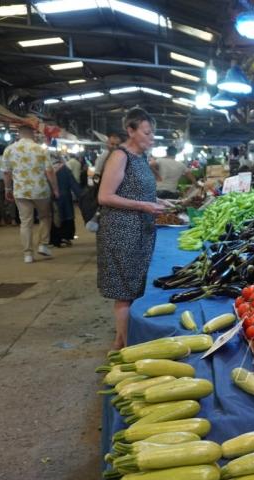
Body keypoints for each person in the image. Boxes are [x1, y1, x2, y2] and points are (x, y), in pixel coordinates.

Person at [97, 108, 165, 349]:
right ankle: (125, 346)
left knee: (135, 286)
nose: (152, 137)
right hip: (121, 231)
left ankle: (121, 340)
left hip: (140, 230)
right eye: (147, 132)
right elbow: (104, 196)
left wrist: (159, 202)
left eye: (152, 132)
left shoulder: (141, 158)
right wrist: (143, 205)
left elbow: (140, 191)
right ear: (130, 131)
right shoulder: (120, 156)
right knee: (125, 289)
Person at [3, 125, 59, 263]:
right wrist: (55, 189)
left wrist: (7, 189)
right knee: (45, 217)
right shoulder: (40, 149)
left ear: (19, 134)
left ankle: (28, 254)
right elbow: (49, 171)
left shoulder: (9, 150)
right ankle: (43, 245)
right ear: (33, 134)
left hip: (21, 191)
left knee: (25, 222)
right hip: (40, 190)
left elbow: (6, 172)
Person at [50, 156, 83, 247]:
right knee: (67, 217)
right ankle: (65, 237)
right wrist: (81, 196)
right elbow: (73, 184)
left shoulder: (47, 170)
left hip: (51, 198)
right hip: (65, 197)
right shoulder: (64, 169)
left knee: (54, 218)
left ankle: (53, 239)